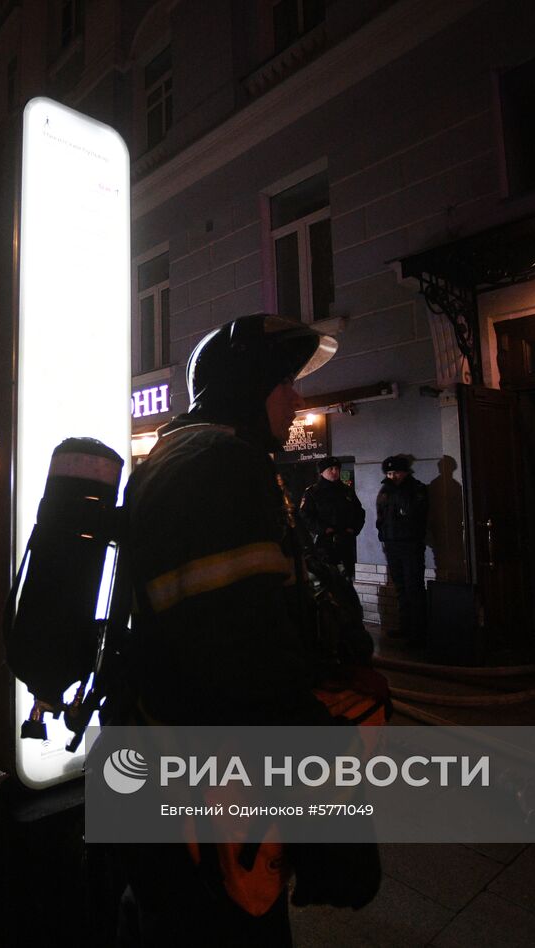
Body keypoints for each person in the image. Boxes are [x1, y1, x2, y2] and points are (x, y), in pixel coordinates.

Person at [119, 314, 378, 945]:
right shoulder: (221, 465)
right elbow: (244, 661)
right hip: (208, 802)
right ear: (246, 385)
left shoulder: (184, 455)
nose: (298, 398)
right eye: (284, 381)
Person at [375, 454, 429, 642]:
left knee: (413, 587)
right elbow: (381, 514)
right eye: (389, 473)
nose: (392, 477)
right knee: (400, 588)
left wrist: (396, 492)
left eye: (396, 473)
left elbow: (414, 513)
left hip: (410, 543)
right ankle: (405, 627)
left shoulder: (416, 489)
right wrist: (382, 533)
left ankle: (419, 631)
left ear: (405, 472)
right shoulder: (386, 490)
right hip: (392, 544)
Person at [299, 457, 365, 578]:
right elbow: (305, 516)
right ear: (322, 472)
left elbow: (359, 512)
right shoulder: (313, 492)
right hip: (324, 544)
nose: (335, 471)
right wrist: (323, 529)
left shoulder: (347, 491)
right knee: (328, 579)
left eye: (337, 469)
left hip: (345, 542)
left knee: (347, 579)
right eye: (331, 469)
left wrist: (353, 529)